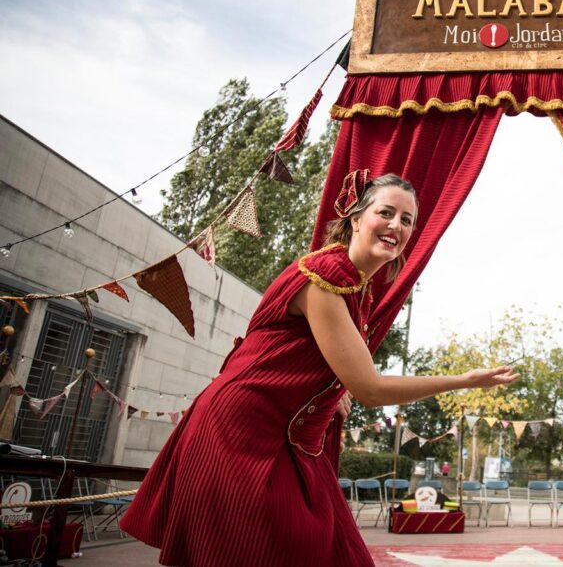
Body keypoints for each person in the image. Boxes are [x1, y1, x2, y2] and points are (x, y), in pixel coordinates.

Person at [121, 171, 519, 567]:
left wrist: (334, 388)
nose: (396, 226)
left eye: (407, 220)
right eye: (386, 212)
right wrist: (464, 381)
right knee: (263, 550)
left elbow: (316, 357)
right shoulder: (325, 277)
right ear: (357, 218)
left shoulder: (355, 286)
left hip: (290, 441)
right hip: (240, 432)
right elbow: (372, 389)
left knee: (332, 549)